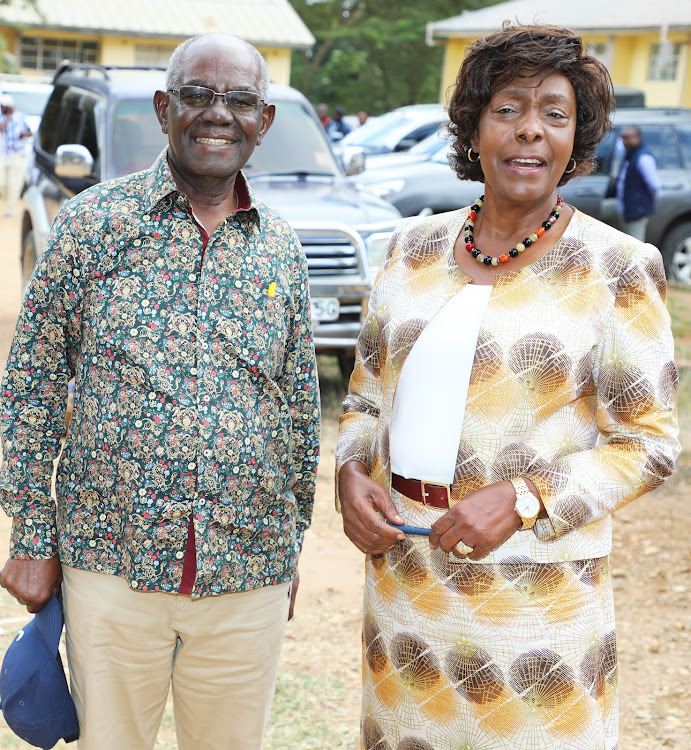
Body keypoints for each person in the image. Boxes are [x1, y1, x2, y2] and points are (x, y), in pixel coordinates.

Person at [336, 22, 679, 750]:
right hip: (406, 589)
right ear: (473, 127)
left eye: (553, 114)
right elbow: (365, 396)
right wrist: (347, 472)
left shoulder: (615, 266)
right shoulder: (409, 249)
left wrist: (526, 498)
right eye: (508, 109)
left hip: (534, 607)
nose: (530, 132)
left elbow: (647, 443)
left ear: (574, 136)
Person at [0, 32, 320, 750]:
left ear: (262, 122)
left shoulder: (279, 247)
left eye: (240, 100)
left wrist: (289, 548)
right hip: (110, 566)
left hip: (247, 570)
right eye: (197, 95)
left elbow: (299, 409)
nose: (218, 115)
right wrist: (30, 533)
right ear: (163, 108)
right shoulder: (93, 227)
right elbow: (31, 387)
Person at [615, 125, 660, 241]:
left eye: (628, 138)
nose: (625, 142)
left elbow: (654, 185)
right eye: (623, 138)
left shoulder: (643, 158)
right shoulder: (629, 155)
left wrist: (647, 201)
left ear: (638, 137)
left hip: (637, 209)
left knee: (636, 245)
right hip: (626, 207)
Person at [0, 93, 32, 217]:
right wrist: (8, 115)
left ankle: (10, 209)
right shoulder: (2, 116)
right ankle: (6, 200)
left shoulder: (21, 116)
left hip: (18, 155)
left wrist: (24, 134)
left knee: (15, 184)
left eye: (3, 106)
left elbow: (30, 132)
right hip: (4, 155)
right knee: (2, 183)